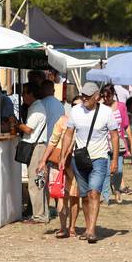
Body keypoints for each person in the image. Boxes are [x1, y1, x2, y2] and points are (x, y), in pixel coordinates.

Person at [59, 82, 120, 243]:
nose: (84, 98)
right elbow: (68, 133)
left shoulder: (106, 112)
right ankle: (87, 228)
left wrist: (114, 160)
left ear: (97, 97)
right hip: (79, 159)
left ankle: (92, 230)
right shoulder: (75, 110)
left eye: (87, 96)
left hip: (99, 158)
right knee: (85, 196)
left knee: (94, 193)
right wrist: (63, 155)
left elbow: (114, 135)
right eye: (83, 95)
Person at [38, 96, 83, 239]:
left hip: (76, 162)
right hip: (59, 162)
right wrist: (43, 160)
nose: (77, 108)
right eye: (74, 105)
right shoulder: (63, 121)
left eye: (80, 105)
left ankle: (72, 227)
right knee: (60, 195)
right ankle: (63, 227)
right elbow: (52, 141)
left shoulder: (85, 123)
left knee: (75, 197)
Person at [14, 83, 48, 223]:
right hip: (37, 147)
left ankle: (39, 216)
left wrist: (15, 123)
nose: (23, 96)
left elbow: (28, 129)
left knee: (35, 182)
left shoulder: (37, 109)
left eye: (24, 93)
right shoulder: (34, 108)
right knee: (38, 181)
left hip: (37, 148)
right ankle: (40, 213)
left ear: (31, 94)